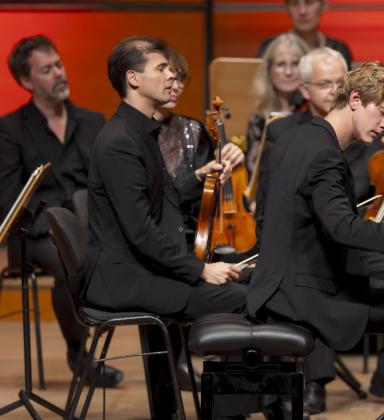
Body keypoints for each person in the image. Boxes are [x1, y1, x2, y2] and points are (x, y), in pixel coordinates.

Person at [249, 61, 384, 420]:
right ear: (354, 99)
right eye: (382, 114)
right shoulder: (325, 154)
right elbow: (344, 228)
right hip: (305, 297)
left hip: (284, 283)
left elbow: (266, 221)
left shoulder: (295, 138)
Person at [85, 36, 247, 418]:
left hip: (139, 270)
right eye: (160, 68)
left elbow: (163, 196)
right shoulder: (121, 141)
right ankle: (230, 411)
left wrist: (200, 177)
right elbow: (140, 231)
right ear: (134, 79)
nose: (170, 74)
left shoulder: (137, 131)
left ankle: (173, 408)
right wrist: (201, 269)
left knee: (245, 286)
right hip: (127, 280)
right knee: (246, 299)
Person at [0, 35, 123, 388]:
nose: (58, 73)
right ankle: (79, 351)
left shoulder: (92, 121)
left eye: (59, 65)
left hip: (93, 224)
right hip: (38, 232)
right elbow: (10, 198)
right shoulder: (9, 129)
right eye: (46, 69)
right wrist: (55, 227)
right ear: (26, 81)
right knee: (69, 256)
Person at [154, 47, 245, 242]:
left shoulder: (194, 128)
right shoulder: (136, 133)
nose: (177, 86)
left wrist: (233, 157)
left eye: (181, 79)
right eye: (171, 79)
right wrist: (197, 176)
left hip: (193, 231)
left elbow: (210, 193)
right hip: (156, 233)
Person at [246, 33, 309, 180]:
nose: (288, 72)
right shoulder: (258, 119)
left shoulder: (314, 113)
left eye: (295, 64)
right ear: (269, 69)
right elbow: (254, 173)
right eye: (281, 64)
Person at [257, 0, 353, 68]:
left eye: (309, 2)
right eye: (294, 3)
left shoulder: (338, 49)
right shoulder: (270, 47)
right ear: (286, 8)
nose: (302, 11)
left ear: (324, 5)